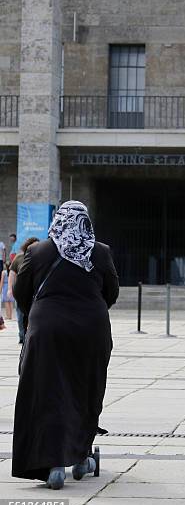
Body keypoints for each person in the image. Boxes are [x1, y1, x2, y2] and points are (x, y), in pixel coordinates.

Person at [12, 201, 119, 489]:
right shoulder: (101, 251)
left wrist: (39, 314)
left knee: (47, 392)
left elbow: (21, 293)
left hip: (48, 331)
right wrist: (89, 310)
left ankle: (53, 462)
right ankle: (81, 455)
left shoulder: (38, 251)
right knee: (86, 390)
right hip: (91, 331)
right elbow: (111, 292)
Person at [8, 237, 40, 344]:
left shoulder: (42, 258)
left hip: (36, 293)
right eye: (34, 245)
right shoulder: (19, 258)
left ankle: (30, 335)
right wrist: (9, 289)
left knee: (33, 315)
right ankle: (22, 335)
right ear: (27, 246)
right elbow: (12, 275)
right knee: (20, 315)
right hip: (21, 292)